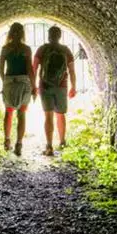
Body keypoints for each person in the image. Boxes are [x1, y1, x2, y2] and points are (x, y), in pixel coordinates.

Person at [32, 26, 77, 157]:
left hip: (45, 85)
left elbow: (34, 68)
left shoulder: (42, 49)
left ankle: (49, 146)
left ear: (49, 35)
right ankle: (62, 142)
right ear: (59, 36)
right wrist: (73, 86)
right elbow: (72, 71)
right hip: (62, 86)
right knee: (60, 114)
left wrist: (33, 86)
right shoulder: (65, 50)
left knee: (48, 115)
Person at [0, 22, 34, 156]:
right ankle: (19, 143)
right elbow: (30, 69)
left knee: (8, 112)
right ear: (22, 34)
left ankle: (7, 140)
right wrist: (34, 86)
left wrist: (5, 82)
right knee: (22, 114)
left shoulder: (5, 49)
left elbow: (1, 69)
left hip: (9, 81)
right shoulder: (26, 49)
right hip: (24, 82)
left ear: (10, 33)